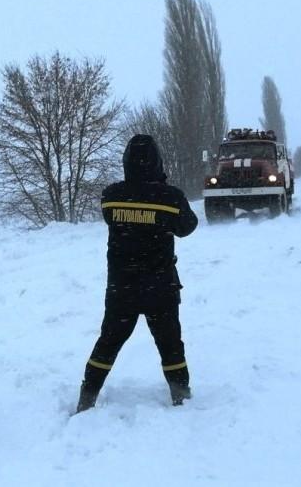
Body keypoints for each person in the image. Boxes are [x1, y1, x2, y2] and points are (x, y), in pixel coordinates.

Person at [75, 134, 198, 413]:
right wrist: (160, 193)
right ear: (157, 162)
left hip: (122, 287)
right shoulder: (171, 197)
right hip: (160, 287)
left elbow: (114, 217)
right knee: (170, 345)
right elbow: (188, 226)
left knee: (108, 343)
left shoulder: (111, 196)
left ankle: (87, 397)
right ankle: (181, 397)